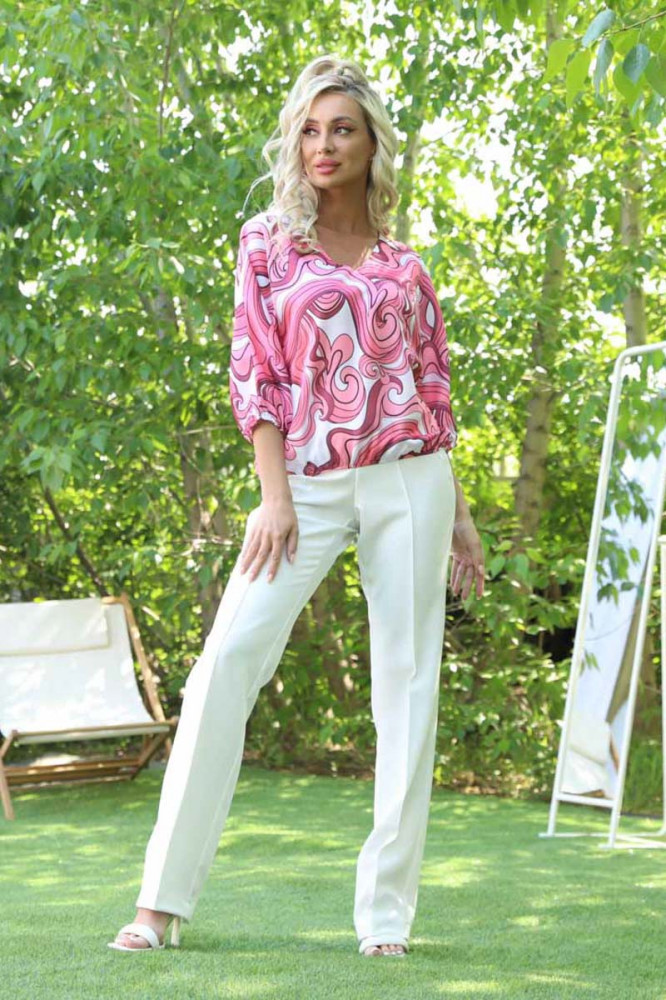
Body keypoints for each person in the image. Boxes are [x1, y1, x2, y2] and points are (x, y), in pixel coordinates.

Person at [108, 54, 484, 959]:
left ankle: (385, 920)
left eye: (342, 128)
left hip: (411, 480)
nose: (324, 145)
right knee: (224, 666)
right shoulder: (267, 244)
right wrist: (272, 496)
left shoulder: (406, 266)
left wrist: (462, 516)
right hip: (305, 487)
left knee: (408, 690)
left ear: (371, 144)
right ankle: (159, 905)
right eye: (310, 129)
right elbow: (258, 374)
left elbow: (430, 390)